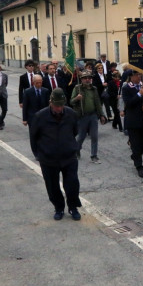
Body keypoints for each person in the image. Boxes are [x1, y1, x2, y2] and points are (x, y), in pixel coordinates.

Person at [29, 88, 82, 221]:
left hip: (68, 156)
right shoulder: (40, 116)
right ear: (50, 102)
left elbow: (75, 131)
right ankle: (58, 208)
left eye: (61, 105)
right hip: (48, 159)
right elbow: (33, 137)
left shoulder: (71, 114)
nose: (59, 108)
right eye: (56, 105)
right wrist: (39, 154)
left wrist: (68, 145)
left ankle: (73, 207)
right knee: (52, 186)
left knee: (72, 184)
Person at [122, 70, 143, 178]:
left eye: (140, 74)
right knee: (135, 144)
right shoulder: (126, 88)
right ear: (131, 77)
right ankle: (139, 166)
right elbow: (129, 103)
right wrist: (139, 94)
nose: (139, 77)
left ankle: (135, 155)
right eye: (136, 75)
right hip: (133, 120)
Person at [71, 71, 107, 164]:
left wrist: (102, 115)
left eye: (89, 78)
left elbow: (98, 103)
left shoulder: (94, 89)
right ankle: (77, 150)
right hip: (82, 116)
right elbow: (71, 101)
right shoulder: (77, 88)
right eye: (85, 78)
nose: (87, 80)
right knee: (81, 136)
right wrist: (77, 98)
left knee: (94, 136)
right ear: (82, 79)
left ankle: (94, 155)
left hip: (93, 115)